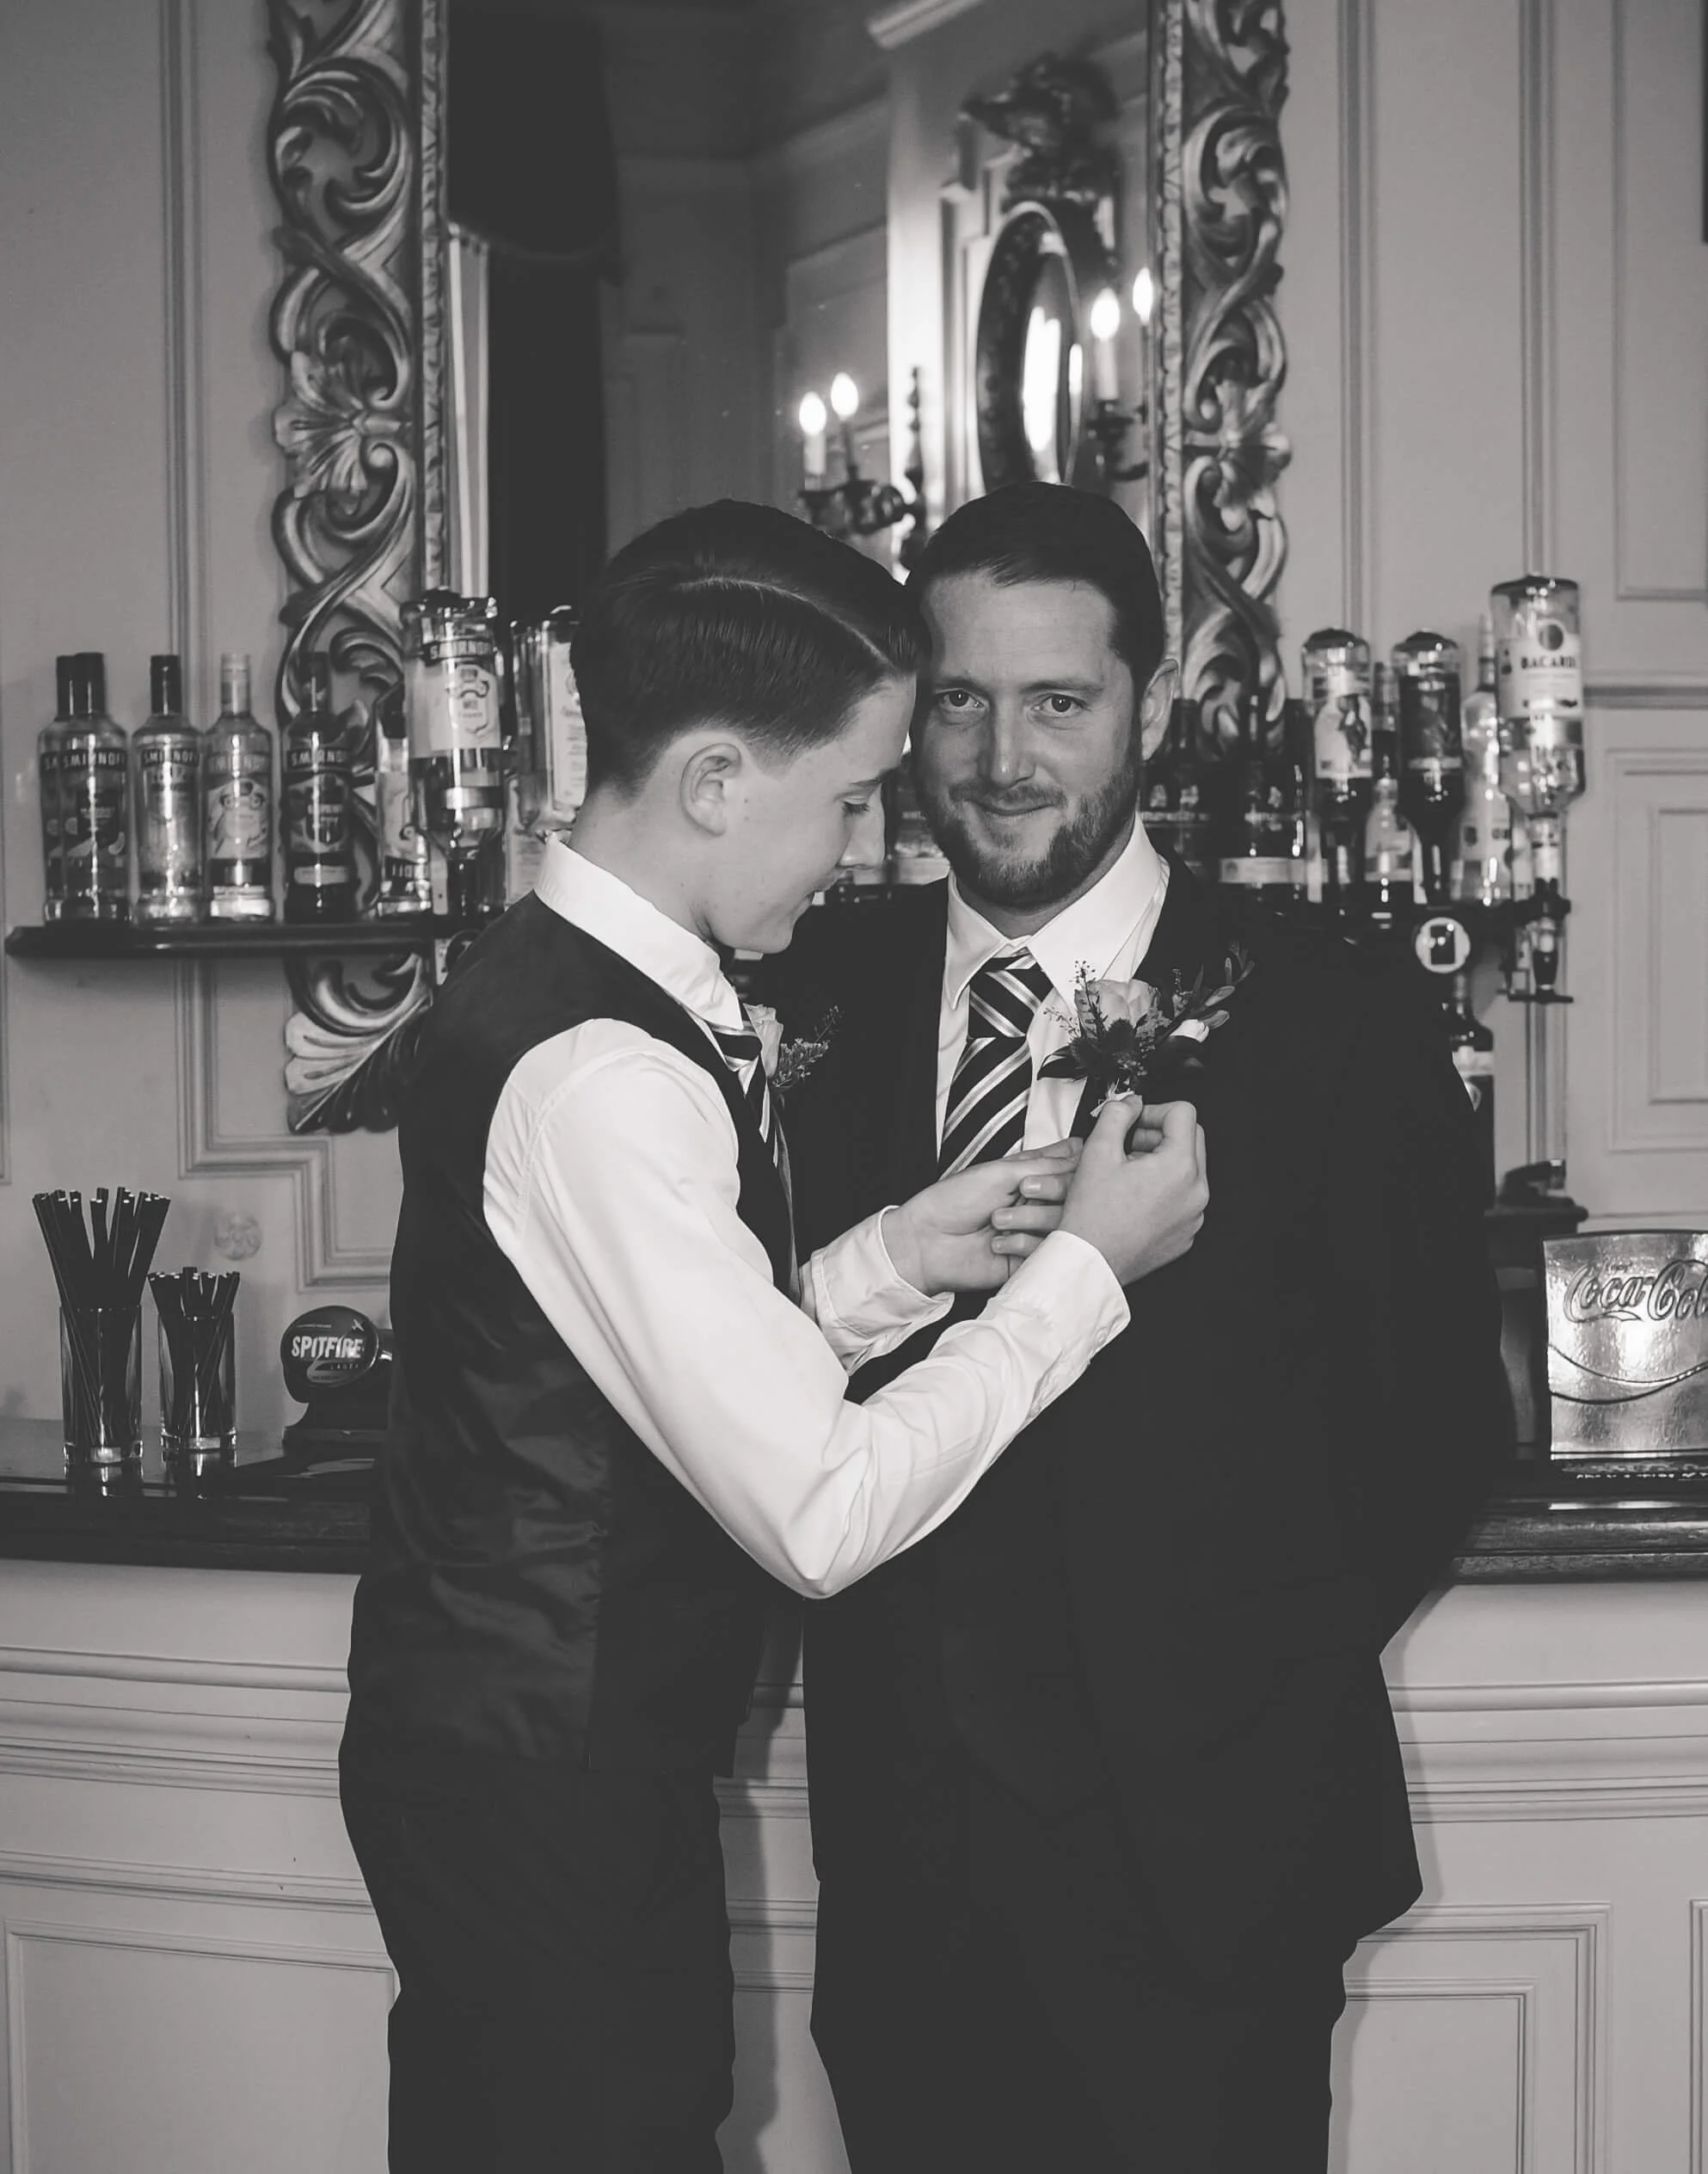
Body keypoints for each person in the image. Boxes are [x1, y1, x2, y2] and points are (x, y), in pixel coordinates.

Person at [337, 499, 1210, 2174]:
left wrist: (894, 1255)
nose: (866, 846)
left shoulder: (577, 988)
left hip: (544, 1760)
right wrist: (1079, 1276)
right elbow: (817, 1508)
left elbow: (637, 1369)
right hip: (542, 1782)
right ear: (720, 780)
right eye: (852, 797)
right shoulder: (602, 1069)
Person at [778, 482, 1509, 2174]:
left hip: (1213, 1878)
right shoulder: (814, 995)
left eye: (1059, 702)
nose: (1002, 756)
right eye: (960, 700)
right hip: (902, 1880)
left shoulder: (1337, 1023)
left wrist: (1208, 1704)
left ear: (1154, 708)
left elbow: (1429, 1446)